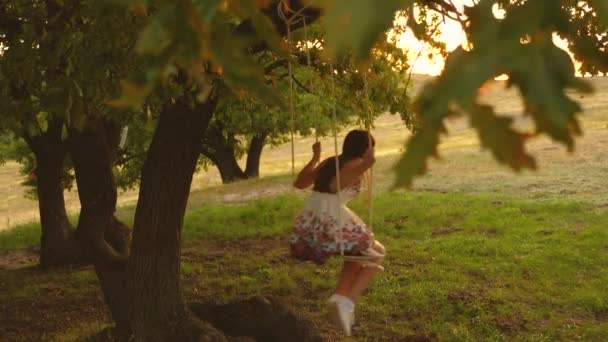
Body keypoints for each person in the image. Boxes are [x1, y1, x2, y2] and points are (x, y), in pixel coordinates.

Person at [290, 129, 386, 336]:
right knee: (375, 253)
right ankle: (347, 302)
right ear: (364, 149)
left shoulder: (330, 162)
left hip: (314, 214)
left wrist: (315, 158)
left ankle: (341, 298)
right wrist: (367, 162)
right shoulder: (353, 166)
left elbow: (300, 183)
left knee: (364, 252)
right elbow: (336, 185)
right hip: (330, 216)